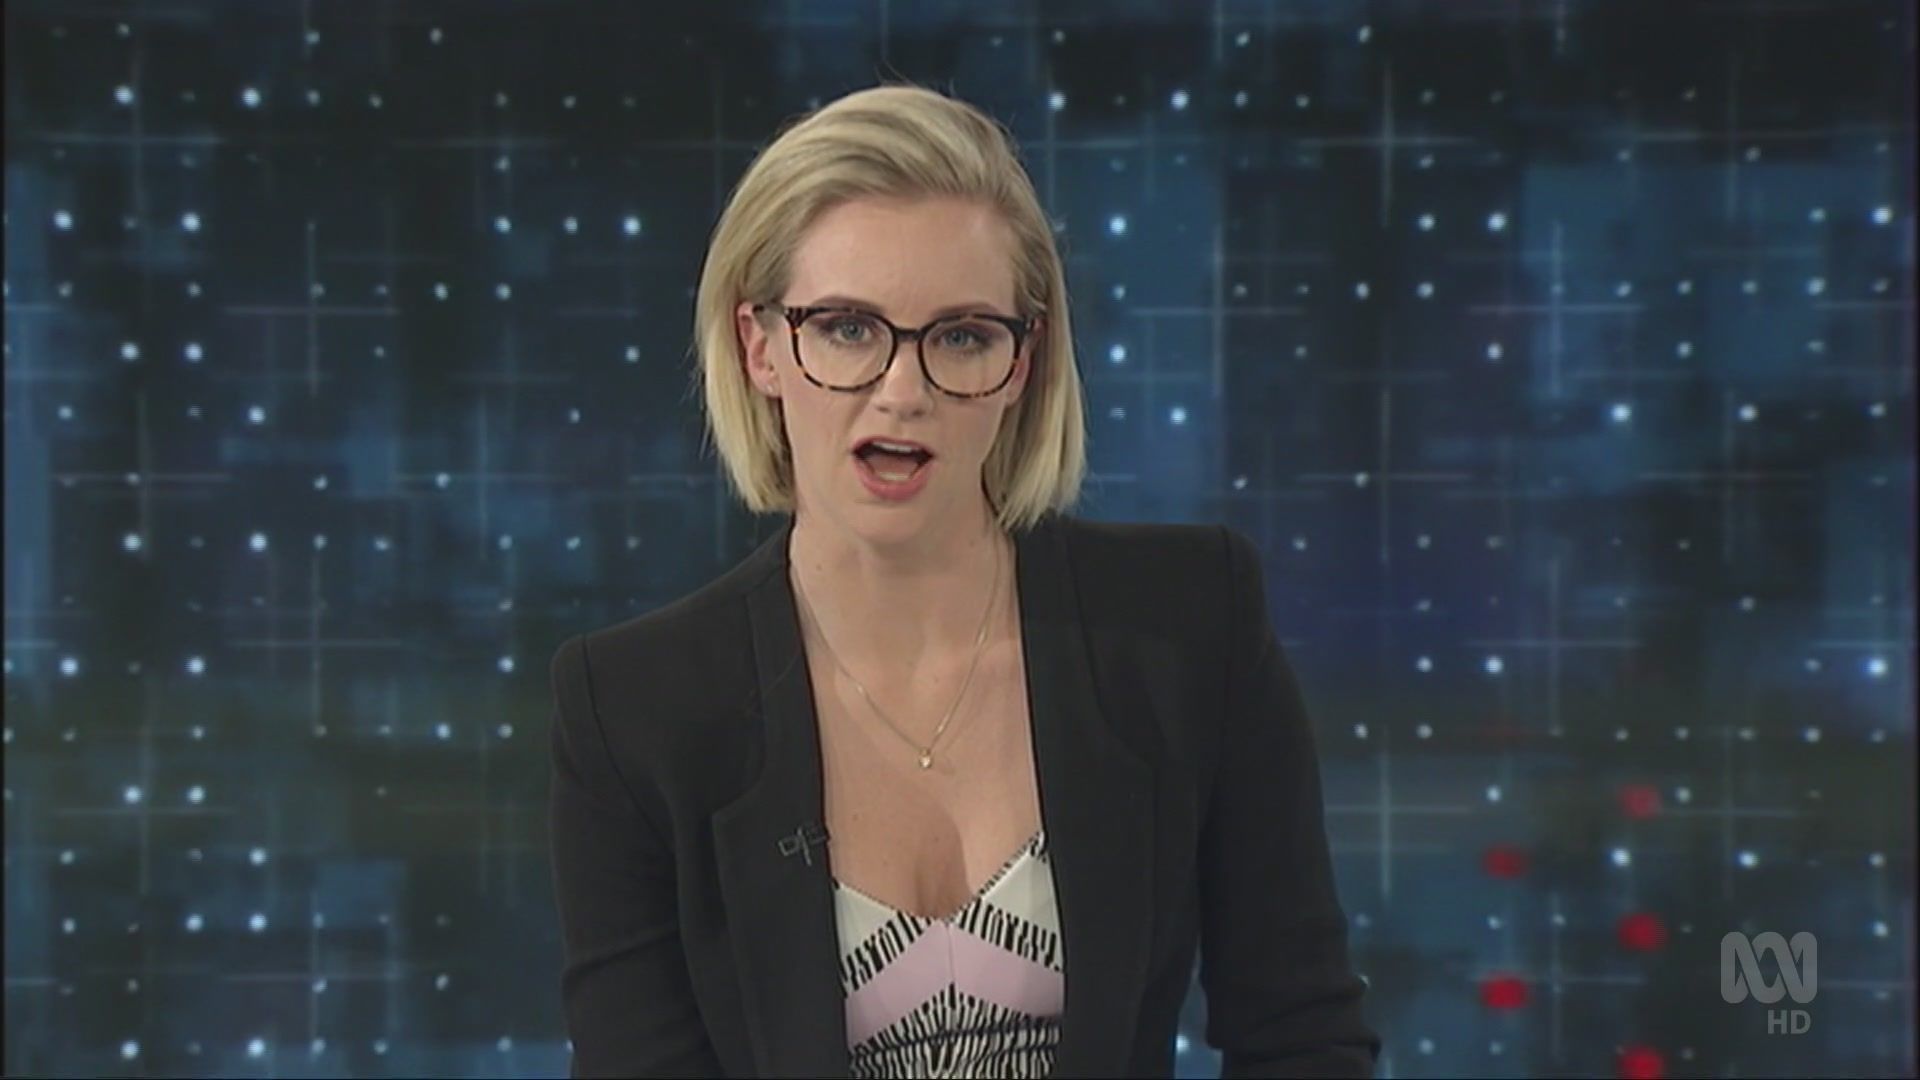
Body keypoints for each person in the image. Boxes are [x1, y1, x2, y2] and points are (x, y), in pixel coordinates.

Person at [547, 80, 1379, 1079]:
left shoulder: (1189, 625)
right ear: (759, 347)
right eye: (848, 329)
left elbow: (1303, 1036)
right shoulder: (634, 709)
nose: (903, 391)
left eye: (961, 337)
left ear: (1022, 364)